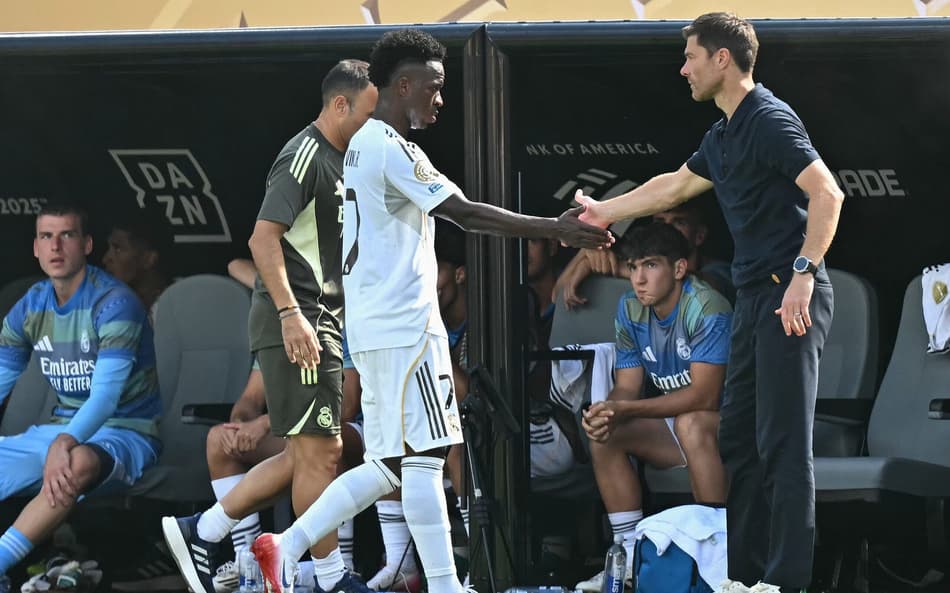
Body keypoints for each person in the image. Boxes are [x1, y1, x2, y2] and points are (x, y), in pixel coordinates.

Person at [251, 27, 612, 593]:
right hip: (403, 328)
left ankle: (289, 544)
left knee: (402, 463)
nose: (441, 99)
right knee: (419, 459)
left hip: (379, 328)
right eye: (434, 88)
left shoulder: (360, 147)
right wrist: (557, 229)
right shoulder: (390, 148)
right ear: (402, 85)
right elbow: (465, 214)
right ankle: (441, 584)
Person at [575, 13, 842, 593]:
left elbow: (828, 193)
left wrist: (803, 273)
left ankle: (786, 583)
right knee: (739, 441)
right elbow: (673, 186)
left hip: (789, 292)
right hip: (753, 297)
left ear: (722, 59)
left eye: (691, 56)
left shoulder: (768, 119)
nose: (683, 68)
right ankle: (743, 579)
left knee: (782, 443)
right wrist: (604, 212)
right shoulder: (722, 136)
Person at [161, 59, 378, 593]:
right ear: (340, 104)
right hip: (300, 322)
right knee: (321, 450)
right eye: (371, 114)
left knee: (312, 451)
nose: (377, 126)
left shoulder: (344, 159)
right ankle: (328, 576)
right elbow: (262, 241)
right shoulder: (304, 155)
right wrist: (290, 314)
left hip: (320, 319)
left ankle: (205, 529)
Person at [0, 203, 162, 593]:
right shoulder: (32, 304)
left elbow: (106, 399)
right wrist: (61, 437)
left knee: (74, 462)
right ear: (36, 249)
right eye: (45, 237)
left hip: (126, 432)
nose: (55, 246)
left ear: (87, 245)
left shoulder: (115, 302)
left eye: (66, 235)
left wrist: (64, 441)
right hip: (61, 428)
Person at [576, 223, 731, 592]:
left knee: (691, 423)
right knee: (607, 435)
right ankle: (628, 559)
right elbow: (627, 386)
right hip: (674, 426)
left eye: (650, 265)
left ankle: (720, 558)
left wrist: (628, 410)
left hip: (730, 430)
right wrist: (610, 410)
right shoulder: (630, 308)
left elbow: (704, 397)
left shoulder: (707, 307)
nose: (638, 279)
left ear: (678, 269)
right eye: (632, 267)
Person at [555, 201, 734, 309]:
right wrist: (586, 252)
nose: (667, 228)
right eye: (660, 221)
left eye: (679, 222)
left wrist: (613, 266)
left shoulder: (719, 270)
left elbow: (705, 285)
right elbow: (558, 299)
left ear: (700, 235)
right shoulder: (631, 261)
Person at [101, 207, 174, 323]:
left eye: (118, 248)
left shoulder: (179, 308)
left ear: (149, 259)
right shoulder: (107, 309)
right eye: (109, 248)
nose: (106, 259)